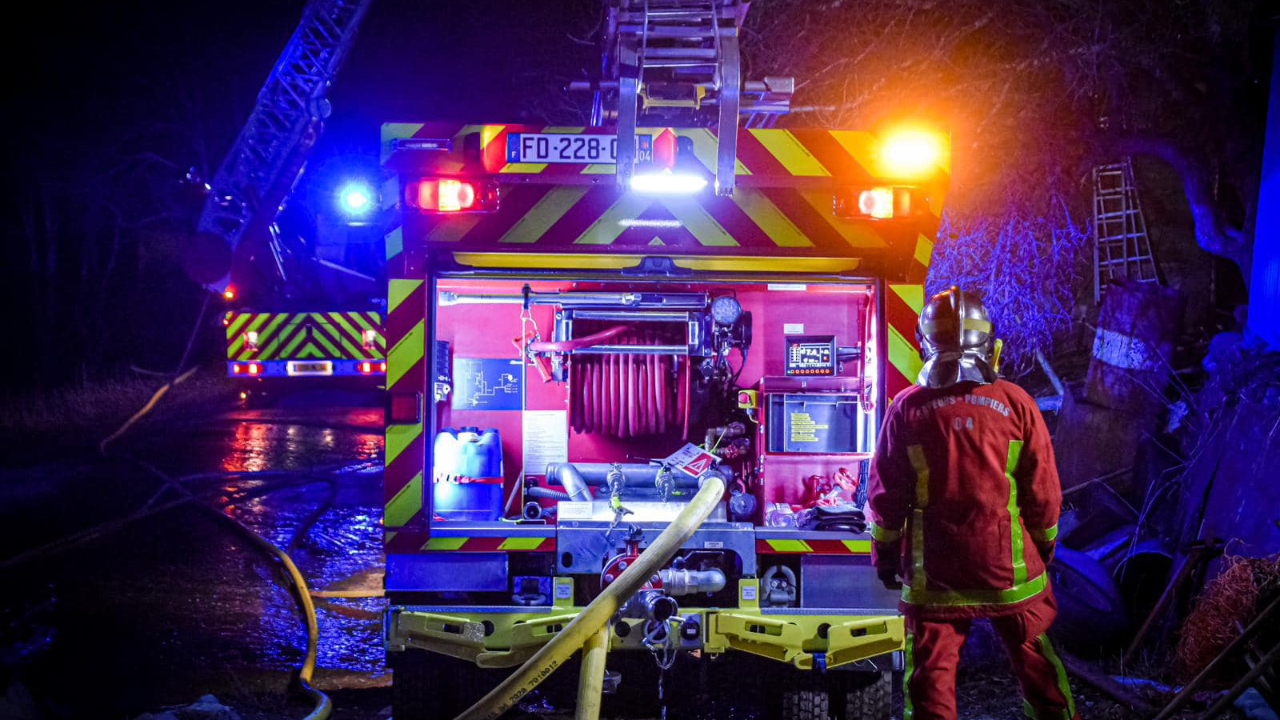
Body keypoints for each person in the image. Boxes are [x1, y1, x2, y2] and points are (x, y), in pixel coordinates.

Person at [867, 286, 1078, 720]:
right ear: (992, 346)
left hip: (935, 574)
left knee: (931, 678)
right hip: (1009, 570)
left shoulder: (907, 408)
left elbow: (886, 495)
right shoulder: (1017, 403)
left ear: (926, 343)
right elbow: (1044, 492)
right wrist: (1042, 548)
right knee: (1037, 665)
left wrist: (886, 556)